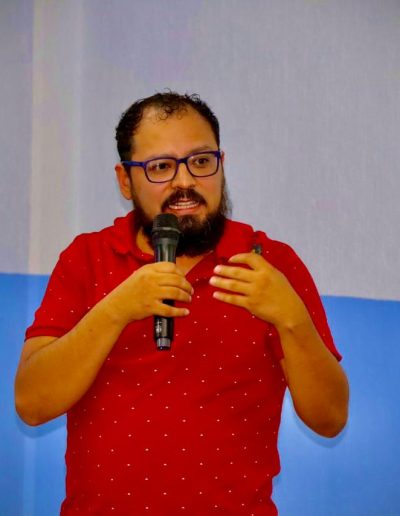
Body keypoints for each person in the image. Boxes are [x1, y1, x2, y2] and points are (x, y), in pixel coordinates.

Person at [15, 92, 349, 515]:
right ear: (125, 180)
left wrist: (292, 319)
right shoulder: (87, 259)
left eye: (201, 161)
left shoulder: (270, 265)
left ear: (221, 165)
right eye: (161, 167)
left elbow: (330, 419)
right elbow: (32, 404)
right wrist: (116, 310)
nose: (185, 182)